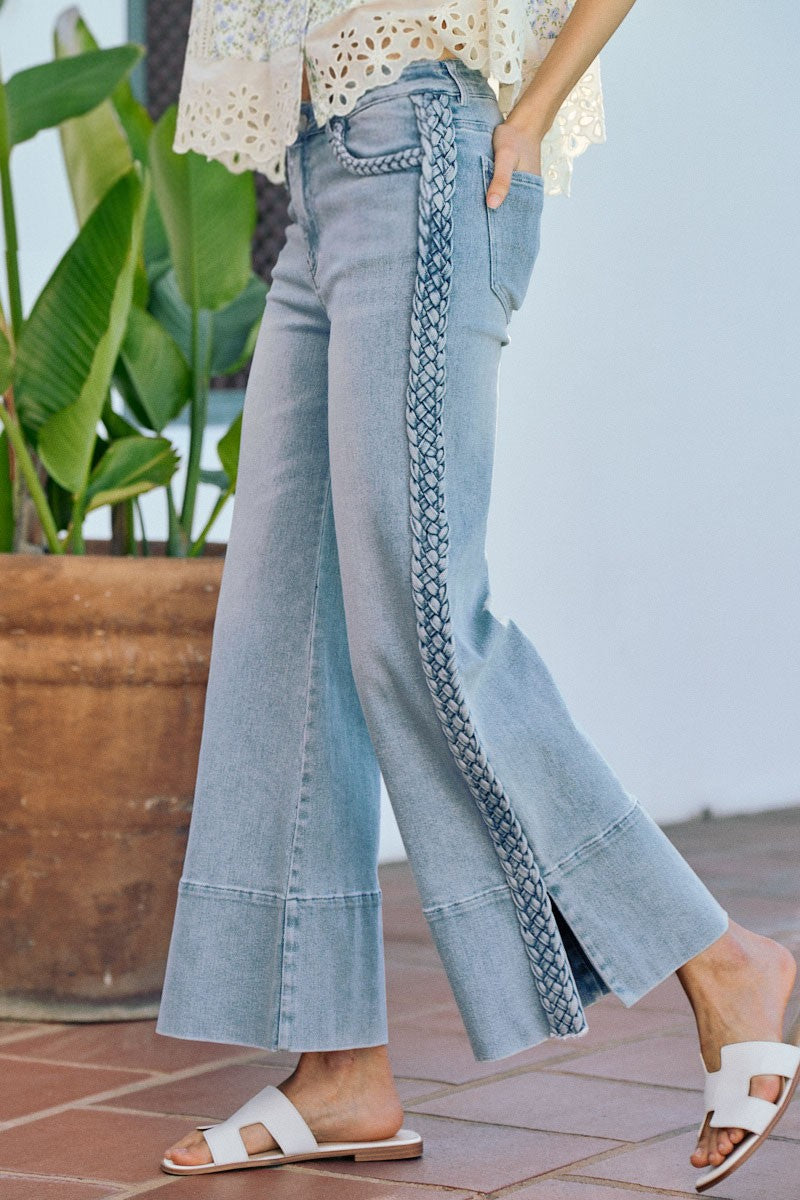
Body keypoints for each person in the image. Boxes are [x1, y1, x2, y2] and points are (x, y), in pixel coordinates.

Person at [154, 0, 800, 1191]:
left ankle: (722, 959)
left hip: (425, 153)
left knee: (423, 628)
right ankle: (340, 1066)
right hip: (319, 174)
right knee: (278, 631)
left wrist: (536, 108)